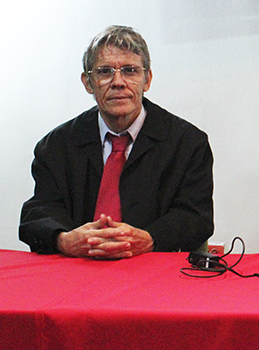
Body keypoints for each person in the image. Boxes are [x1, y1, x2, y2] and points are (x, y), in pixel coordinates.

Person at [19, 26, 214, 259]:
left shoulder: (188, 143)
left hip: (152, 269)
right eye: (105, 71)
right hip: (79, 267)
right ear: (88, 82)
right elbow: (39, 213)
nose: (118, 82)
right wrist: (63, 240)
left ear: (147, 80)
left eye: (130, 71)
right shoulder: (55, 146)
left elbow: (196, 218)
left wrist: (150, 238)